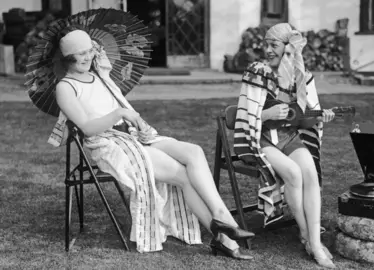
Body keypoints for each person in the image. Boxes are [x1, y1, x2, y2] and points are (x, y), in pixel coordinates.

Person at [49, 26, 254, 260]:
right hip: (109, 143)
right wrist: (118, 114)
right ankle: (224, 235)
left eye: (89, 51)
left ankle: (221, 217)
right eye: (80, 54)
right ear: (68, 58)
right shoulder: (65, 88)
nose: (87, 57)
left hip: (132, 134)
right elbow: (87, 128)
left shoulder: (99, 75)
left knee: (194, 151)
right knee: (183, 175)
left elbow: (124, 108)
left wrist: (140, 125)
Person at [234, 23, 336, 268]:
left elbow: (306, 114)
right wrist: (267, 114)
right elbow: (244, 115)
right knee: (292, 174)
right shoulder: (256, 71)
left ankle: (314, 241)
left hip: (288, 138)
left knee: (309, 173)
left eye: (274, 45)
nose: (268, 49)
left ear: (288, 47)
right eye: (266, 44)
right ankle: (310, 239)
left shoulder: (301, 76)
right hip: (261, 138)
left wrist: (321, 116)